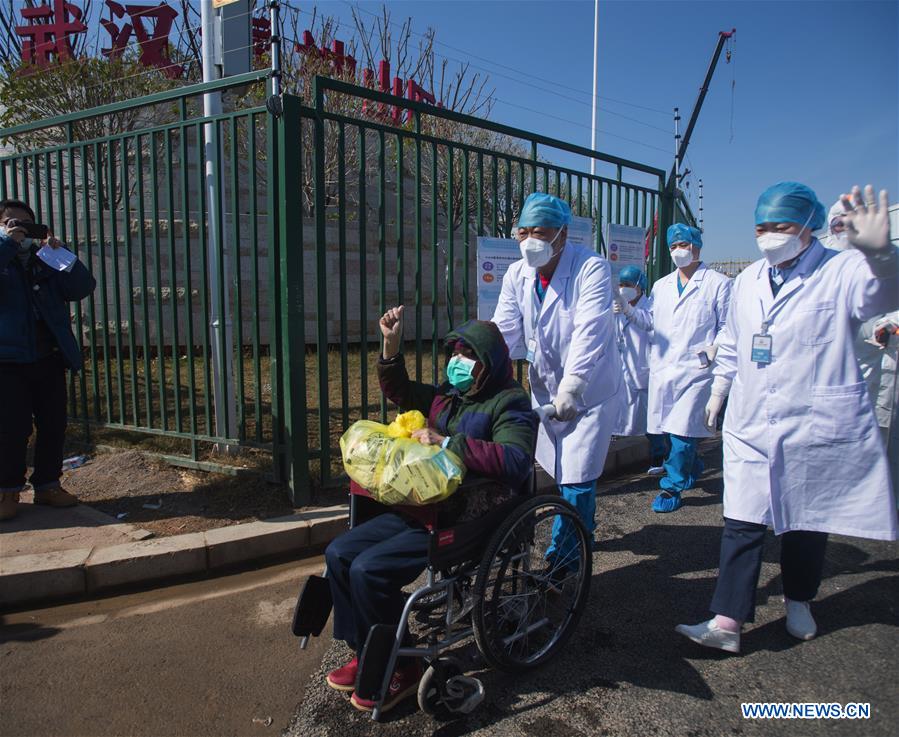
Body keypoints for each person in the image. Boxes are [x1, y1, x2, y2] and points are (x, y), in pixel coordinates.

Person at [676, 182, 898, 654]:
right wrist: (719, 390)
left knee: (805, 518)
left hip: (810, 417)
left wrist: (881, 255)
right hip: (751, 416)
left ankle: (799, 600)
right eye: (761, 227)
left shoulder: (841, 269)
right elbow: (733, 340)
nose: (769, 236)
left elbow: (881, 298)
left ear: (807, 226)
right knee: (741, 519)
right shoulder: (748, 279)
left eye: (781, 226)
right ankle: (727, 621)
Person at [324, 308, 537, 713]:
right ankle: (367, 652)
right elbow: (401, 391)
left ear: (489, 361)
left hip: (468, 515)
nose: (458, 361)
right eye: (454, 353)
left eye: (467, 354)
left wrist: (448, 443)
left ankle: (402, 668)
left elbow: (515, 460)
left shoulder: (509, 401)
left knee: (369, 570)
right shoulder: (448, 394)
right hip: (423, 505)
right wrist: (390, 345)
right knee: (339, 554)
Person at [492, 192, 623, 561]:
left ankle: (563, 559)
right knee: (561, 472)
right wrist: (479, 364)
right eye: (523, 232)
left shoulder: (591, 267)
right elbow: (504, 330)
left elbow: (590, 331)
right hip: (546, 387)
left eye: (540, 232)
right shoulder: (517, 274)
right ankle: (583, 529)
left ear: (562, 234)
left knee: (577, 477)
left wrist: (572, 387)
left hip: (589, 391)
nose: (530, 241)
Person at [616, 223, 732, 513]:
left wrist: (716, 346)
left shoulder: (718, 283)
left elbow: (728, 326)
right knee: (668, 433)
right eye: (673, 246)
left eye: (683, 245)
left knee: (682, 433)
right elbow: (650, 322)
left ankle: (671, 487)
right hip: (664, 369)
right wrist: (628, 310)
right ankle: (691, 466)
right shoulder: (661, 285)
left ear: (697, 246)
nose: (679, 251)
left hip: (696, 371)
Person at [0, 199, 96, 521]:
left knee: (53, 424)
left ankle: (47, 485)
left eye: (25, 224)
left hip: (48, 356)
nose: (20, 230)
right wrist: (6, 244)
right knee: (12, 428)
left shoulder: (43, 260)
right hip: (8, 360)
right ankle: (7, 490)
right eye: (11, 223)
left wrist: (61, 255)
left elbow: (82, 287)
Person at [611, 265, 669, 471]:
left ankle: (660, 456)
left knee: (651, 419)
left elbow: (647, 323)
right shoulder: (617, 305)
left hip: (643, 369)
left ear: (639, 286)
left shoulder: (651, 307)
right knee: (619, 413)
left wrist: (627, 311)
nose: (623, 288)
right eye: (621, 284)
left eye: (628, 284)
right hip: (623, 368)